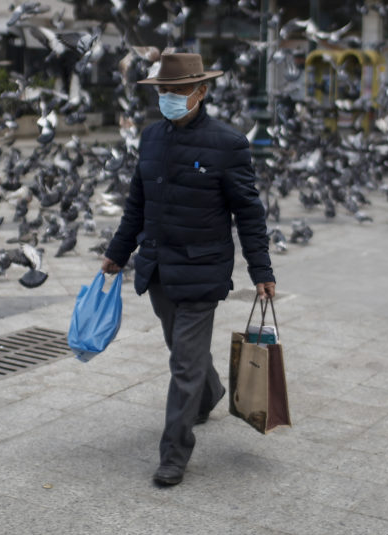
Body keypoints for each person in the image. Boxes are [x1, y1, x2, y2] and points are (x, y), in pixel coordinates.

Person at [100, 53, 276, 488]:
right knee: (183, 350)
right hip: (158, 267)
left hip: (202, 270)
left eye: (177, 91)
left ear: (201, 91)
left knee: (183, 362)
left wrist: (261, 270)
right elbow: (137, 204)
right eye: (162, 91)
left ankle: (174, 453)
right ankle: (211, 392)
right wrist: (117, 253)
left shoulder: (228, 144)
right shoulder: (151, 138)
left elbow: (248, 213)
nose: (168, 98)